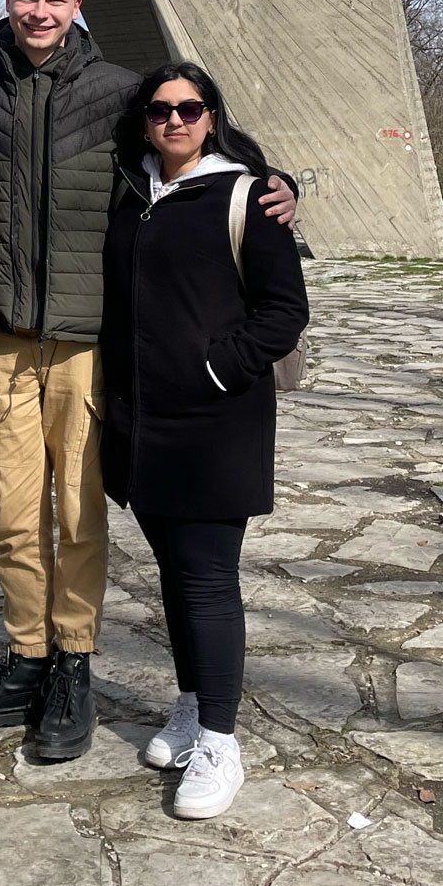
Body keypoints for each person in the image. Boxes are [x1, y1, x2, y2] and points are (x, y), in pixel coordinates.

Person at [0, 0, 299, 761]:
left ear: (77, 1)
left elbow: (205, 136)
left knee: (78, 513)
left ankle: (74, 664)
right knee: (15, 515)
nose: (40, 11)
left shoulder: (122, 91)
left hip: (89, 339)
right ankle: (27, 655)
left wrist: (279, 182)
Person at [101, 62, 309, 818]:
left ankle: (222, 739)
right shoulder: (132, 191)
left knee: (209, 576)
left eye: (190, 108)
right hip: (141, 425)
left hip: (215, 423)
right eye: (160, 110)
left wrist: (218, 369)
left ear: (212, 116)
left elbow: (285, 310)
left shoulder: (249, 195)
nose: (175, 120)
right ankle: (191, 704)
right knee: (173, 572)